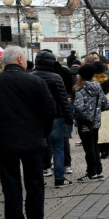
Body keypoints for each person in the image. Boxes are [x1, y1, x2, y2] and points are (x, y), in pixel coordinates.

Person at [0, 46, 57, 219]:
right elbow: (49, 110)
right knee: (34, 183)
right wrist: (43, 133)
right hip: (33, 140)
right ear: (20, 60)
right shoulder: (35, 81)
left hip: (5, 142)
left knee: (10, 185)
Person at [33, 50, 74, 187]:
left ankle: (39, 180)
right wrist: (69, 118)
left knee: (37, 149)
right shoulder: (56, 77)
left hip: (36, 118)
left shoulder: (30, 76)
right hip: (56, 116)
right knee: (58, 147)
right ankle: (59, 179)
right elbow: (63, 99)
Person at [72, 64, 109, 182]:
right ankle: (98, 171)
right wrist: (97, 111)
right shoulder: (98, 87)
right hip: (95, 121)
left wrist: (76, 116)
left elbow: (78, 107)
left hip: (85, 122)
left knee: (88, 148)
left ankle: (91, 173)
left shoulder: (80, 88)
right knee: (94, 146)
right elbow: (107, 105)